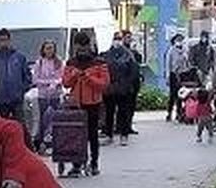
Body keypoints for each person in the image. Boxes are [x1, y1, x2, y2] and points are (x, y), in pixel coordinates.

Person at [61, 34, 109, 178]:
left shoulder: (99, 62)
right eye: (79, 46)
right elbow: (65, 83)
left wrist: (88, 77)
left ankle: (94, 163)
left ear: (89, 45)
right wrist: (75, 75)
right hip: (76, 103)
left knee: (92, 134)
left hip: (93, 103)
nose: (82, 49)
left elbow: (104, 84)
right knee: (75, 134)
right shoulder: (71, 62)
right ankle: (77, 163)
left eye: (84, 46)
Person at [101, 31, 140, 146]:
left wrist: (127, 84)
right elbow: (103, 71)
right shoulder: (106, 55)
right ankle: (109, 134)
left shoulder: (128, 55)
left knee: (123, 112)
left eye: (119, 39)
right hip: (110, 89)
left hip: (124, 89)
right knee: (109, 112)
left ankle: (124, 135)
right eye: (116, 38)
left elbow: (133, 72)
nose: (117, 41)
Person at [0, 28, 32, 126]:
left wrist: (22, 90)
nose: (3, 42)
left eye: (5, 39)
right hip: (1, 100)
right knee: (2, 126)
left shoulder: (19, 57)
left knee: (21, 125)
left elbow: (27, 76)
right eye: (1, 40)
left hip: (17, 99)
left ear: (9, 40)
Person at [31, 40, 64, 154]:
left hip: (55, 95)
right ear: (43, 50)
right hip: (43, 95)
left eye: (51, 48)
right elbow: (35, 79)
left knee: (55, 119)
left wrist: (55, 83)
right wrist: (48, 83)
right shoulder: (39, 63)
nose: (50, 50)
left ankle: (54, 143)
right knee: (42, 120)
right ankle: (41, 143)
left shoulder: (58, 62)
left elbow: (61, 77)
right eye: (47, 48)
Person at [166, 33, 191, 122]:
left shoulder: (185, 50)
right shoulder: (171, 51)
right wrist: (168, 76)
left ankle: (179, 113)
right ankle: (169, 113)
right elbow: (168, 64)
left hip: (183, 74)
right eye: (178, 40)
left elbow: (188, 63)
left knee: (181, 94)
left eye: (181, 39)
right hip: (174, 74)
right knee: (172, 95)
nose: (180, 41)